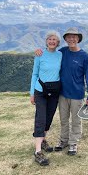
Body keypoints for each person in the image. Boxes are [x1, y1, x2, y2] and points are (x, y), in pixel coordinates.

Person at [35, 27, 88, 156]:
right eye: (69, 37)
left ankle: (73, 143)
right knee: (63, 120)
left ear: (78, 39)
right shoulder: (62, 52)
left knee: (76, 120)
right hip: (61, 93)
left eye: (74, 37)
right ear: (66, 39)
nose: (71, 39)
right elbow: (50, 50)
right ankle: (63, 141)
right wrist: (39, 50)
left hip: (77, 95)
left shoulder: (84, 56)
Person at [30, 31, 62, 166]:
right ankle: (38, 152)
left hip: (54, 92)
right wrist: (32, 93)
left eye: (54, 39)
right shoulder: (40, 54)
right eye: (50, 39)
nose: (52, 41)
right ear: (46, 41)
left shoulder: (61, 55)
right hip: (40, 91)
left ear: (58, 42)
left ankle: (43, 141)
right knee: (40, 119)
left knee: (49, 118)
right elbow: (34, 74)